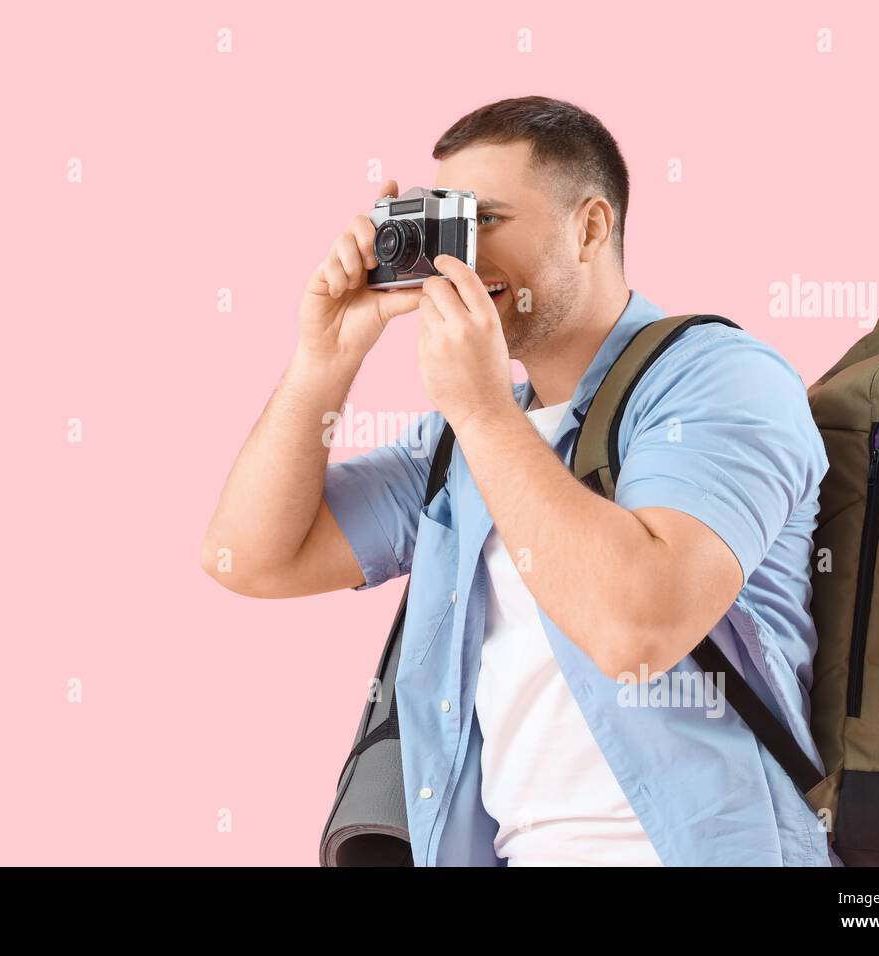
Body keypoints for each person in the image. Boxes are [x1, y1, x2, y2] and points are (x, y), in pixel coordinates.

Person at [202, 95, 838, 866]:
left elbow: (637, 632)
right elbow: (251, 557)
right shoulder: (462, 438)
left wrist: (479, 409)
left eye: (488, 220)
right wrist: (323, 361)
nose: (459, 257)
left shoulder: (721, 380)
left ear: (591, 227)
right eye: (446, 223)